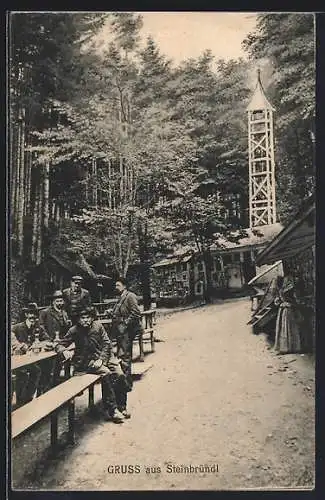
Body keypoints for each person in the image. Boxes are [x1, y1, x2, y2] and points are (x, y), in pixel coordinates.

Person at [55, 307, 127, 423]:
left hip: (104, 358)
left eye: (88, 317)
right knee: (106, 373)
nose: (85, 320)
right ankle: (112, 410)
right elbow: (59, 344)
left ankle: (122, 407)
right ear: (78, 320)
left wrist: (102, 359)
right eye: (82, 318)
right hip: (86, 363)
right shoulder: (74, 330)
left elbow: (106, 343)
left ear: (92, 318)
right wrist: (63, 351)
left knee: (120, 374)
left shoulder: (98, 326)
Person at [110, 277, 143, 419]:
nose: (116, 287)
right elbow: (119, 312)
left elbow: (136, 313)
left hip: (127, 332)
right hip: (120, 331)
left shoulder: (130, 296)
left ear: (124, 286)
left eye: (118, 285)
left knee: (125, 357)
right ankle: (124, 379)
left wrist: (125, 325)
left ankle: (126, 382)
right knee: (122, 356)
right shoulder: (120, 298)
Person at [11, 305, 51, 406]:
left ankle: (28, 399)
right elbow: (11, 341)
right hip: (18, 359)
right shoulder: (17, 327)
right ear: (26, 315)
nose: (33, 317)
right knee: (22, 374)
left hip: (31, 359)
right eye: (30, 315)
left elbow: (47, 339)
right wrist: (20, 346)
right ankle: (20, 402)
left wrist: (39, 344)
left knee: (37, 370)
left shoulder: (38, 328)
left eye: (35, 315)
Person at [39, 290, 72, 388]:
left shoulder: (65, 313)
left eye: (61, 301)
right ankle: (48, 389)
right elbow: (41, 328)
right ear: (53, 302)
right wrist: (49, 340)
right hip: (50, 344)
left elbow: (67, 329)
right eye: (57, 301)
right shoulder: (45, 312)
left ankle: (63, 389)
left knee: (63, 366)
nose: (60, 303)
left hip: (62, 343)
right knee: (51, 370)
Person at [274, 276, 302, 354]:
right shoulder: (283, 290)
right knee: (286, 327)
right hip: (285, 309)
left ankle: (290, 347)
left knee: (288, 327)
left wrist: (284, 303)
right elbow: (296, 300)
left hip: (287, 309)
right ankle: (288, 347)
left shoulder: (287, 290)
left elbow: (294, 300)